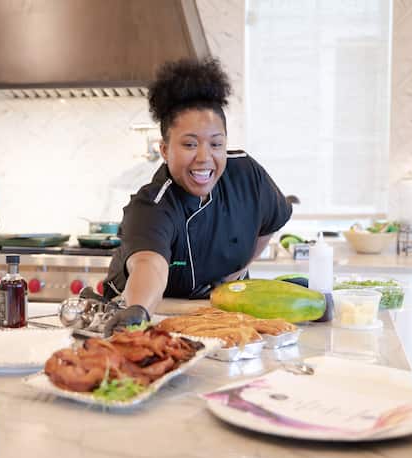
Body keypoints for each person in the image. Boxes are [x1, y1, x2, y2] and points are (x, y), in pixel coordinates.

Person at [102, 56, 291, 331]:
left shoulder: (246, 174)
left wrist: (237, 272)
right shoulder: (153, 205)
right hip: (155, 318)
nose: (204, 157)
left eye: (216, 144)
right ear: (164, 150)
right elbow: (149, 265)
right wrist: (138, 310)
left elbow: (271, 221)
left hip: (222, 315)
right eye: (190, 144)